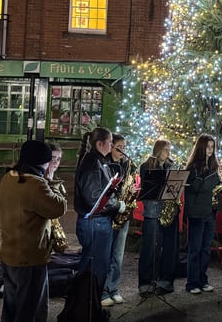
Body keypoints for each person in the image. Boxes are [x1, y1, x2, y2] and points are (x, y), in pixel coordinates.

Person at [0, 139, 67, 322]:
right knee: (30, 309)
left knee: (11, 306)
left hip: (9, 252)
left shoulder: (9, 177)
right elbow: (59, 208)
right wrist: (51, 180)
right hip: (29, 257)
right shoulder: (36, 184)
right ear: (42, 161)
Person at [73, 127, 126, 308]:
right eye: (110, 142)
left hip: (98, 222)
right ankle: (86, 305)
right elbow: (94, 198)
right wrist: (117, 205)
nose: (112, 146)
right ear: (100, 143)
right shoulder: (92, 163)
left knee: (97, 265)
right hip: (94, 222)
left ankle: (89, 305)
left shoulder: (97, 161)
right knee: (94, 267)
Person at [138, 139, 180, 297]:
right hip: (153, 212)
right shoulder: (146, 166)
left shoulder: (171, 166)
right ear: (158, 150)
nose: (168, 153)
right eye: (165, 150)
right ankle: (146, 283)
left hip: (169, 211)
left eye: (169, 149)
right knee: (150, 248)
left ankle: (166, 282)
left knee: (169, 248)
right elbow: (147, 188)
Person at [184, 133, 222, 294]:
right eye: (208, 147)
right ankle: (192, 283)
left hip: (210, 212)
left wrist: (221, 182)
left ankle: (202, 280)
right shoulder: (192, 167)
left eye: (212, 147)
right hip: (197, 213)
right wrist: (216, 178)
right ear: (201, 147)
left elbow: (215, 188)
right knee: (195, 249)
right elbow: (195, 187)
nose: (210, 150)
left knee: (206, 248)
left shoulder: (214, 166)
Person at [104, 133, 137, 305]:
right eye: (119, 147)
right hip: (110, 213)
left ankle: (114, 288)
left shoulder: (125, 165)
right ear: (111, 147)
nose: (123, 151)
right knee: (107, 253)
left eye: (125, 147)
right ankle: (103, 291)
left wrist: (131, 192)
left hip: (123, 214)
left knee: (118, 255)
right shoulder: (106, 164)